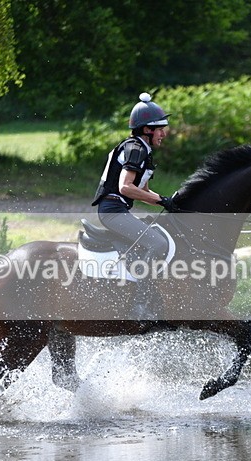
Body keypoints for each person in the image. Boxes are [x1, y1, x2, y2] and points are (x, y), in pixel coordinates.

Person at [91, 92, 178, 321]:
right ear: (147, 130)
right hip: (112, 211)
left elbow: (144, 192)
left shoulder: (141, 150)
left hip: (118, 210)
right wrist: (161, 201)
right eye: (160, 129)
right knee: (158, 243)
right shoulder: (136, 150)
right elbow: (126, 187)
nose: (164, 133)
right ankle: (141, 302)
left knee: (156, 237)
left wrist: (169, 201)